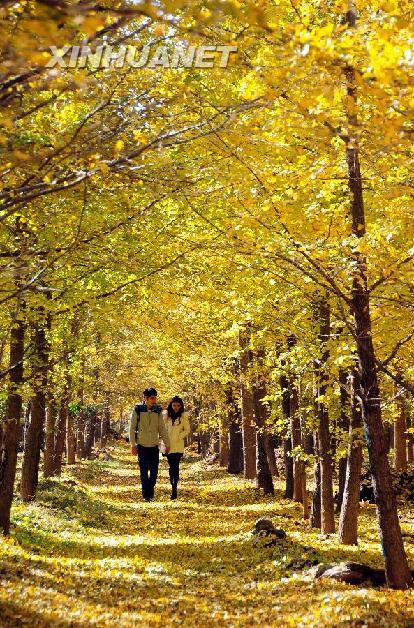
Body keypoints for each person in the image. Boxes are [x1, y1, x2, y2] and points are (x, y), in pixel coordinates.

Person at [129, 387, 170, 502]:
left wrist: (167, 443)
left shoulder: (158, 410)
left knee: (154, 472)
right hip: (142, 446)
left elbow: (162, 428)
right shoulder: (138, 409)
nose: (154, 400)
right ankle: (146, 495)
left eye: (155, 398)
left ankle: (150, 490)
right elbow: (132, 428)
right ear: (145, 398)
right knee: (143, 471)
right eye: (152, 398)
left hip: (154, 446)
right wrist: (133, 445)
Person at [164, 396, 190, 500]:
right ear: (171, 405)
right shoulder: (166, 415)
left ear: (181, 406)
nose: (176, 407)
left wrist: (179, 437)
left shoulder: (183, 416)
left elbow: (187, 430)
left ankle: (175, 488)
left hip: (178, 445)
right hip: (168, 445)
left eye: (178, 405)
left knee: (176, 466)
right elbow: (162, 429)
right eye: (174, 405)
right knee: (171, 467)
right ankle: (172, 485)